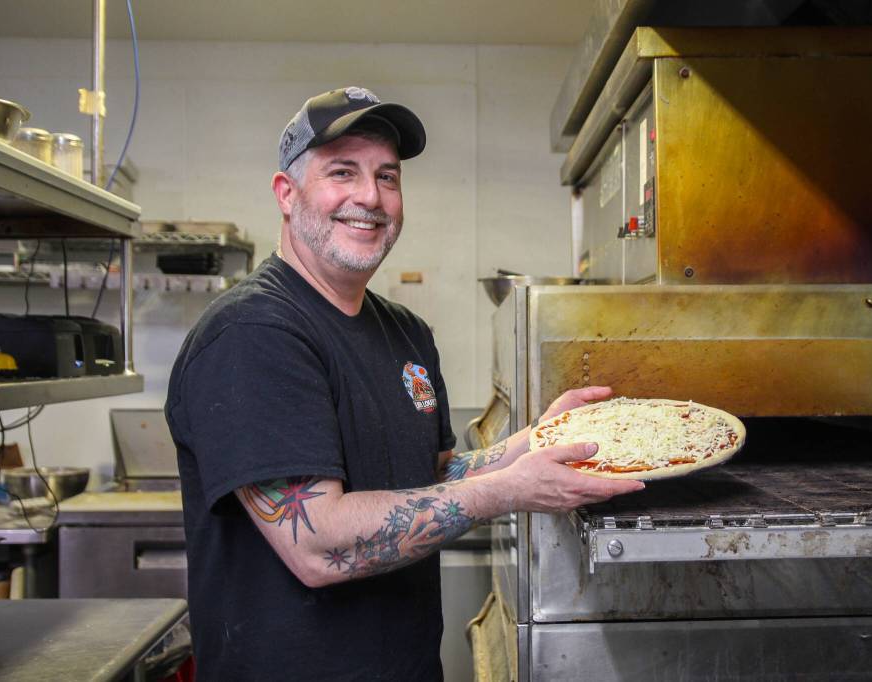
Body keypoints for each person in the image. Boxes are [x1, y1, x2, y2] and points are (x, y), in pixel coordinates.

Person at [165, 86, 643, 681]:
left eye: (387, 177)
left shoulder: (406, 333)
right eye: (343, 172)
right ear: (287, 194)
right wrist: (507, 492)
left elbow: (431, 477)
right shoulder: (252, 333)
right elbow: (319, 546)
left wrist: (535, 442)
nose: (370, 197)